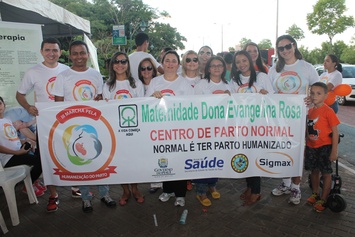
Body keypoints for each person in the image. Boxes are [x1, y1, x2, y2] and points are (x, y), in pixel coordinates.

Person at [52, 40, 116, 213]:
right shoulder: (63, 76)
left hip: (95, 125)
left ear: (87, 54)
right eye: (75, 53)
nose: (79, 57)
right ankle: (86, 198)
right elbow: (58, 104)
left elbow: (101, 98)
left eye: (82, 53)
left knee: (99, 158)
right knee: (81, 162)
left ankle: (105, 194)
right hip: (74, 127)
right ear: (70, 55)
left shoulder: (95, 74)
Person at [16, 37, 69, 212]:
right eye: (47, 50)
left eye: (55, 50)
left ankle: (76, 188)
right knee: (46, 159)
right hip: (45, 124)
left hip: (66, 122)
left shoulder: (66, 70)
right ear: (41, 52)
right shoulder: (33, 72)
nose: (51, 53)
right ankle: (53, 195)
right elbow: (20, 95)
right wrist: (28, 107)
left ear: (60, 52)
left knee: (71, 154)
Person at [269, 35, 319, 205]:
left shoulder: (307, 67)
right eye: (281, 48)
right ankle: (286, 183)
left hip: (301, 118)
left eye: (287, 46)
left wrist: (312, 99)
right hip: (280, 119)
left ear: (294, 45)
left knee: (297, 152)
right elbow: (268, 94)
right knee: (282, 150)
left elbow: (318, 89)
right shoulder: (274, 70)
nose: (285, 50)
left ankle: (296, 187)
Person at [145, 50, 194, 207]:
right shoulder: (155, 82)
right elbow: (145, 103)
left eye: (174, 61)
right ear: (162, 63)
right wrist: (153, 97)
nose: (170, 64)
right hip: (160, 130)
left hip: (179, 130)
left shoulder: (184, 83)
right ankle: (167, 190)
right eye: (167, 60)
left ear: (178, 65)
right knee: (164, 160)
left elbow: (191, 106)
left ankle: (180, 194)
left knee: (179, 160)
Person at [230, 50, 274, 205]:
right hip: (242, 125)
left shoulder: (261, 77)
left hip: (258, 124)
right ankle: (249, 186)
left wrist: (265, 94)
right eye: (238, 62)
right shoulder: (234, 80)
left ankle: (256, 191)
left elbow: (272, 97)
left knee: (255, 154)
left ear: (249, 60)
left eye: (244, 60)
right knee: (245, 154)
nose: (241, 64)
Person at [103, 52, 145, 205]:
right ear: (111, 64)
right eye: (116, 61)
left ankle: (135, 189)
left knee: (134, 160)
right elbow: (106, 110)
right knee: (121, 161)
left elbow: (141, 107)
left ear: (128, 64)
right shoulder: (107, 85)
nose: (119, 64)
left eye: (123, 61)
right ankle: (125, 190)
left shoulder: (136, 84)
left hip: (134, 129)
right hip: (115, 130)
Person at [192, 55, 231, 206]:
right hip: (204, 129)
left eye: (219, 65)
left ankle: (212, 184)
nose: (216, 68)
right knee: (203, 159)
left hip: (221, 129)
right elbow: (195, 105)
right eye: (213, 65)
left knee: (217, 157)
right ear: (208, 69)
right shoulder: (202, 85)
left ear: (224, 68)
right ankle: (201, 192)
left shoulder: (229, 84)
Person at [305, 82, 340, 212]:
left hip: (325, 147)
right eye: (312, 93)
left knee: (326, 173)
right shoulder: (310, 111)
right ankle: (315, 193)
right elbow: (307, 130)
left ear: (326, 95)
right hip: (311, 146)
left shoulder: (328, 111)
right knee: (314, 171)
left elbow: (335, 132)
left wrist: (334, 151)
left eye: (318, 93)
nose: (314, 96)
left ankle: (324, 199)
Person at [0, 96, 42, 194]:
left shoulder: (7, 120)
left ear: (4, 105)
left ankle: (29, 184)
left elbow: (12, 138)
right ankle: (28, 186)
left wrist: (26, 142)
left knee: (42, 155)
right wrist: (17, 152)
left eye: (0, 104)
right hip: (9, 158)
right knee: (41, 162)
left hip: (19, 152)